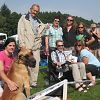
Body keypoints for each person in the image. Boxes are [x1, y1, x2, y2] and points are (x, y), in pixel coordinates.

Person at [18, 4, 45, 87]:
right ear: (30, 9)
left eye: (37, 11)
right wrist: (22, 45)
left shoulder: (39, 21)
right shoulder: (24, 18)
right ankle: (26, 82)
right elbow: (20, 32)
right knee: (27, 65)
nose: (35, 12)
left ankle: (33, 82)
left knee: (36, 65)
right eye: (34, 10)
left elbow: (40, 33)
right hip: (27, 47)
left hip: (36, 47)